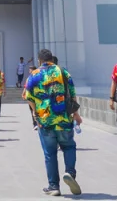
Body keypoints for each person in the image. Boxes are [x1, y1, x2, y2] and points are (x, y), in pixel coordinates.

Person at [26, 48, 82, 197]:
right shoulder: (63, 72)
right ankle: (70, 172)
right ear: (51, 58)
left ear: (39, 60)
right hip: (63, 118)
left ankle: (54, 186)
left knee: (50, 153)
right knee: (69, 146)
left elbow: (28, 96)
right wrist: (76, 115)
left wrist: (35, 113)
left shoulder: (34, 75)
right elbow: (72, 96)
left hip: (45, 120)